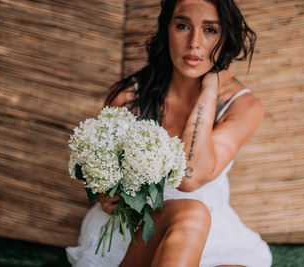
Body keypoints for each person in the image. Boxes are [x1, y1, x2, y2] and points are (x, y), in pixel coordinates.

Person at [66, 0, 272, 266]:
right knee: (192, 213)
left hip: (213, 231)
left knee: (199, 219)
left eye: (210, 30)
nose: (194, 42)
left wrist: (210, 89)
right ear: (167, 30)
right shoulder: (129, 97)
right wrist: (106, 194)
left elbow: (190, 175)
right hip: (134, 230)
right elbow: (103, 178)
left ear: (226, 38)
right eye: (183, 26)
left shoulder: (244, 106)